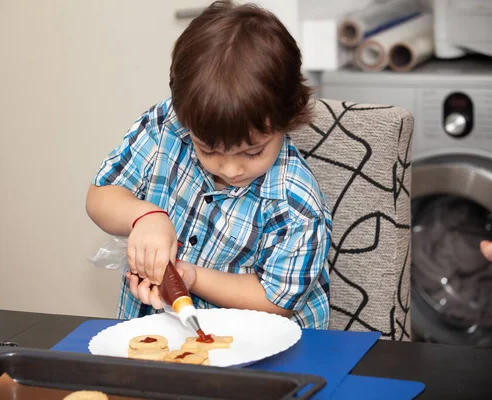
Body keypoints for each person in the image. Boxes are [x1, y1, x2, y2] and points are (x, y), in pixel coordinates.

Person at [86, 0, 332, 329]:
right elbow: (100, 196)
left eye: (252, 152)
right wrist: (145, 216)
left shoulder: (296, 203)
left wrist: (192, 277)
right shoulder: (165, 127)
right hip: (157, 334)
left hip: (260, 347)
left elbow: (275, 300)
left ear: (289, 118)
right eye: (207, 149)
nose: (230, 170)